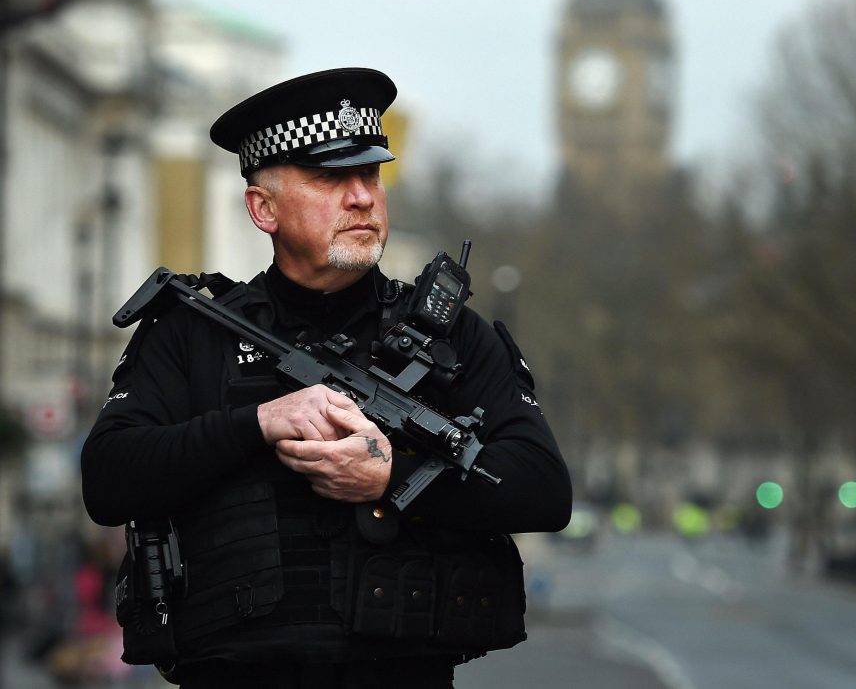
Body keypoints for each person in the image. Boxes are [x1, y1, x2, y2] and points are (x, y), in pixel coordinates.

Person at [80, 67, 572, 688]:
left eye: (369, 174)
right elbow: (108, 477)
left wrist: (393, 477)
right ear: (263, 210)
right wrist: (258, 424)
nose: (363, 197)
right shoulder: (193, 332)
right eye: (331, 178)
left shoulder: (452, 336)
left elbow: (545, 489)